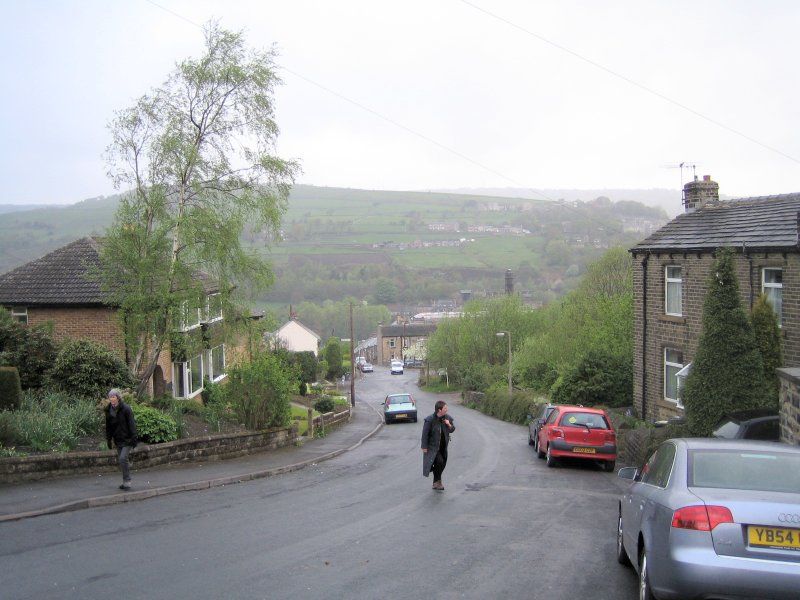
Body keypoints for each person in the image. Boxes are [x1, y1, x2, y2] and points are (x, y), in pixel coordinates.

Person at [105, 388, 138, 490]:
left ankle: (127, 481)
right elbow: (108, 427)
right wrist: (109, 439)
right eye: (110, 397)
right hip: (118, 439)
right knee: (122, 461)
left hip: (127, 439)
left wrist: (134, 438)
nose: (112, 399)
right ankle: (125, 482)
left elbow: (132, 424)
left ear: (118, 397)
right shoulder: (108, 410)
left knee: (123, 458)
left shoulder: (126, 409)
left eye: (113, 397)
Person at [421, 400, 455, 491]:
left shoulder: (447, 418)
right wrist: (424, 446)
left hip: (443, 447)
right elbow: (425, 434)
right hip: (433, 448)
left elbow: (452, 429)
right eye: (445, 408)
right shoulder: (430, 420)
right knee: (439, 462)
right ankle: (437, 482)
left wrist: (448, 424)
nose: (447, 409)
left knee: (442, 464)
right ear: (439, 410)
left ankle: (436, 483)